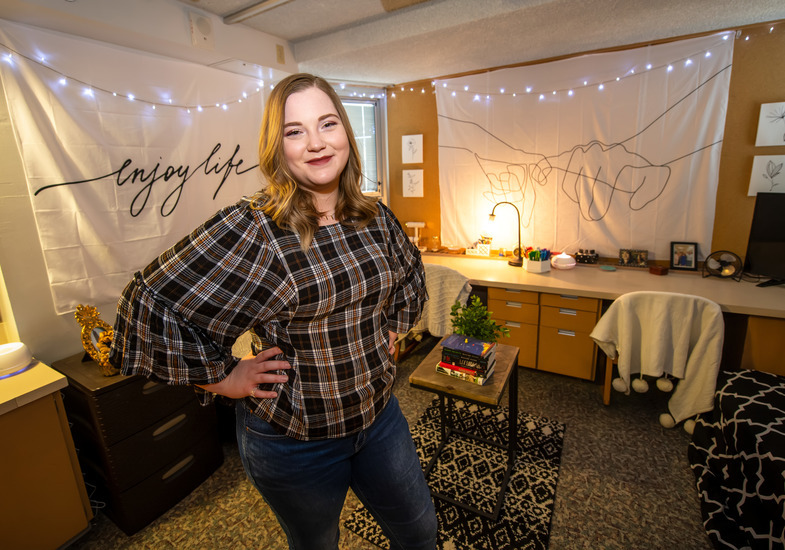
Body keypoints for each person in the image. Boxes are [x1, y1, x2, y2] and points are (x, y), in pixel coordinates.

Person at [109, 73, 437, 550]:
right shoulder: (257, 229)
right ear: (277, 148)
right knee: (316, 544)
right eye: (295, 131)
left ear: (346, 132)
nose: (316, 143)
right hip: (295, 440)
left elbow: (408, 273)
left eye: (327, 124)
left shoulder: (374, 215)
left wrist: (392, 326)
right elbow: (150, 303)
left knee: (420, 533)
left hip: (380, 417)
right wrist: (224, 377)